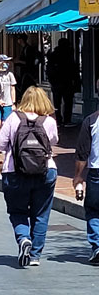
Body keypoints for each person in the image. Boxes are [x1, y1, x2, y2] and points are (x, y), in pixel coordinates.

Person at [0, 86, 59, 267]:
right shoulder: (49, 121)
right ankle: (35, 255)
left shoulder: (13, 118)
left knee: (17, 210)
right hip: (46, 171)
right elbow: (54, 141)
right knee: (41, 213)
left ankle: (23, 238)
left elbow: (0, 144)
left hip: (15, 171)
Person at [73, 91, 99, 264]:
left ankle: (97, 245)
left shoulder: (92, 121)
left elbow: (82, 153)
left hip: (97, 171)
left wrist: (78, 176)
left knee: (94, 210)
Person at [49, 37, 80, 126]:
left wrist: (52, 81)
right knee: (68, 102)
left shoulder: (54, 55)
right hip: (67, 82)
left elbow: (49, 70)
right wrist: (76, 81)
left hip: (57, 83)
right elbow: (74, 69)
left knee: (57, 103)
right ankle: (67, 120)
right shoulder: (69, 54)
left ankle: (58, 120)